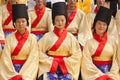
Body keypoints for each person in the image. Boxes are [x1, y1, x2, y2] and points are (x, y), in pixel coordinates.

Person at [37, 2, 81, 80]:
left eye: (62, 20)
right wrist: (52, 61)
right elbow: (38, 51)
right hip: (50, 67)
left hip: (66, 67)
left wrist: (65, 62)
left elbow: (77, 54)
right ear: (54, 21)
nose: (60, 23)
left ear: (65, 21)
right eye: (57, 20)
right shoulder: (47, 36)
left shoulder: (71, 37)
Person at [0, 4, 39, 80]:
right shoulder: (9, 38)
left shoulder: (33, 38)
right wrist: (13, 74)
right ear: (14, 23)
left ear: (27, 22)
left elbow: (33, 58)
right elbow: (6, 58)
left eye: (23, 21)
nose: (21, 24)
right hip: (12, 70)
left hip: (27, 70)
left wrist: (23, 75)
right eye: (18, 22)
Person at [81, 6, 120, 80]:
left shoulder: (113, 42)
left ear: (107, 27)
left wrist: (111, 74)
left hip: (110, 73)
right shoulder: (89, 43)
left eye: (104, 24)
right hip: (94, 73)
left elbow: (116, 61)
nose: (101, 26)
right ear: (94, 25)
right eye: (99, 23)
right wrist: (98, 75)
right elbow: (86, 62)